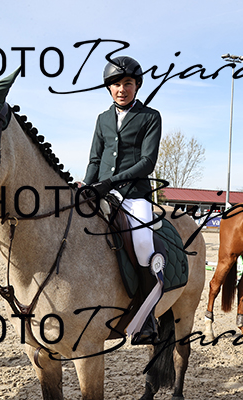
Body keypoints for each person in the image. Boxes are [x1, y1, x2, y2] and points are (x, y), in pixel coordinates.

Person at [81, 56, 163, 342]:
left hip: (133, 195)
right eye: (116, 84)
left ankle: (147, 317)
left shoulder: (150, 117)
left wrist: (111, 182)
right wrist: (87, 186)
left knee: (142, 244)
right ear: (109, 88)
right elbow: (95, 159)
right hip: (101, 190)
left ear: (136, 86)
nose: (121, 89)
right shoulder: (102, 119)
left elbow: (147, 162)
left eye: (127, 83)